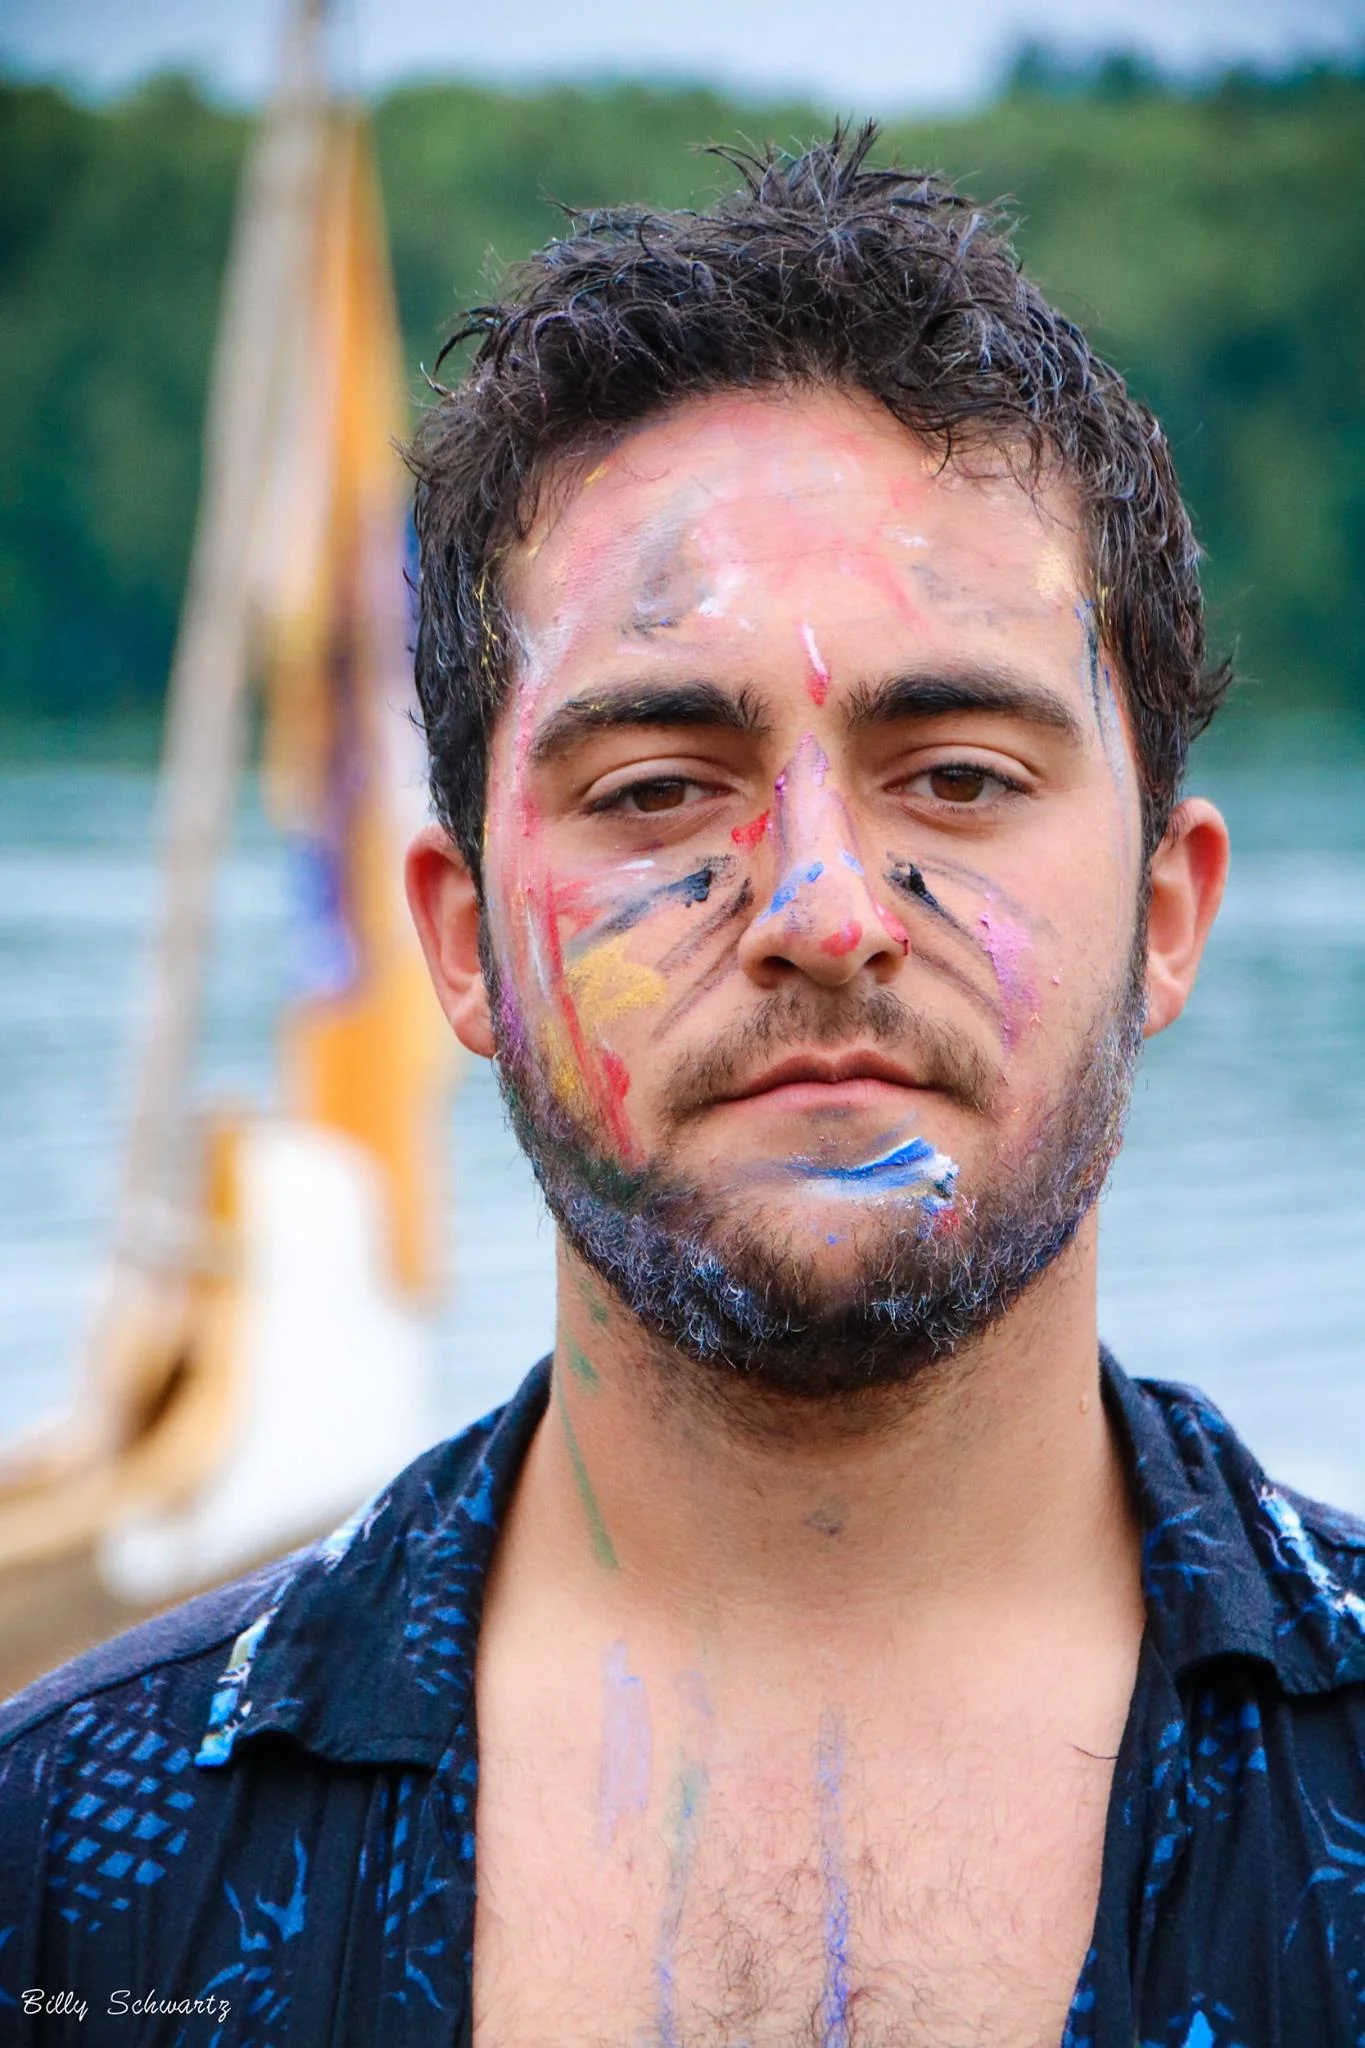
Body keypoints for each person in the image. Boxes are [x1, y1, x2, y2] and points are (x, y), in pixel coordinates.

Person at [3, 128, 1364, 2048]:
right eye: (656, 788)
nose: (823, 912)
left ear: (1166, 912)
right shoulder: (68, 1877)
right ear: (463, 941)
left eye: (959, 775)